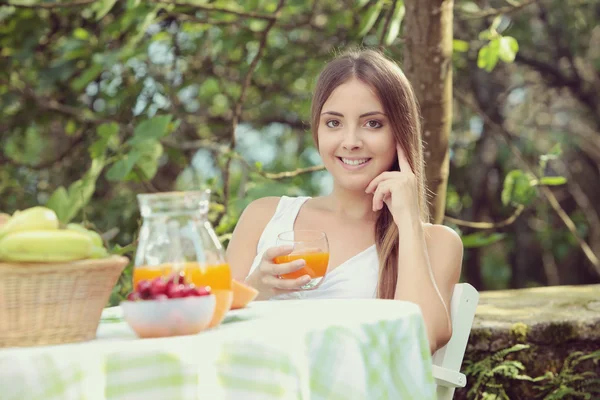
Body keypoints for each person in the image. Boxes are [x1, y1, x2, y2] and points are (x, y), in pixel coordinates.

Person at [226, 48, 463, 354]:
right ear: (317, 132)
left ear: (400, 134)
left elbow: (420, 340)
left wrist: (408, 223)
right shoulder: (264, 216)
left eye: (373, 123)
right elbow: (211, 332)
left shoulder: (435, 243)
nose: (350, 141)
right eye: (334, 123)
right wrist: (259, 286)